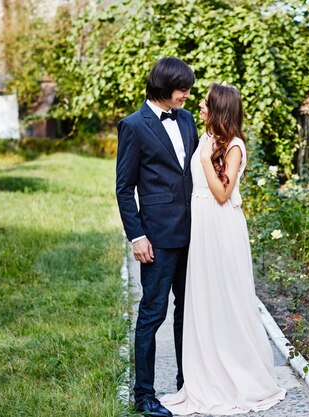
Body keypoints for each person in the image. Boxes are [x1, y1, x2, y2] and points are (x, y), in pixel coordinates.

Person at [161, 83, 286, 415]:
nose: (199, 106)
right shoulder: (207, 140)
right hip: (202, 229)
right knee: (204, 300)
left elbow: (221, 193)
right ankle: (204, 376)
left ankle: (241, 378)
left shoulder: (232, 147)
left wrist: (204, 159)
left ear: (220, 109)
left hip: (222, 228)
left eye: (205, 103)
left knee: (228, 300)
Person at [115, 57, 198, 417]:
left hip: (194, 234)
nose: (187, 95)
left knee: (188, 313)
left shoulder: (188, 119)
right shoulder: (133, 126)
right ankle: (144, 395)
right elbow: (124, 188)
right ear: (165, 87)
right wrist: (137, 236)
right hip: (157, 239)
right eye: (183, 89)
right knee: (153, 313)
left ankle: (187, 384)